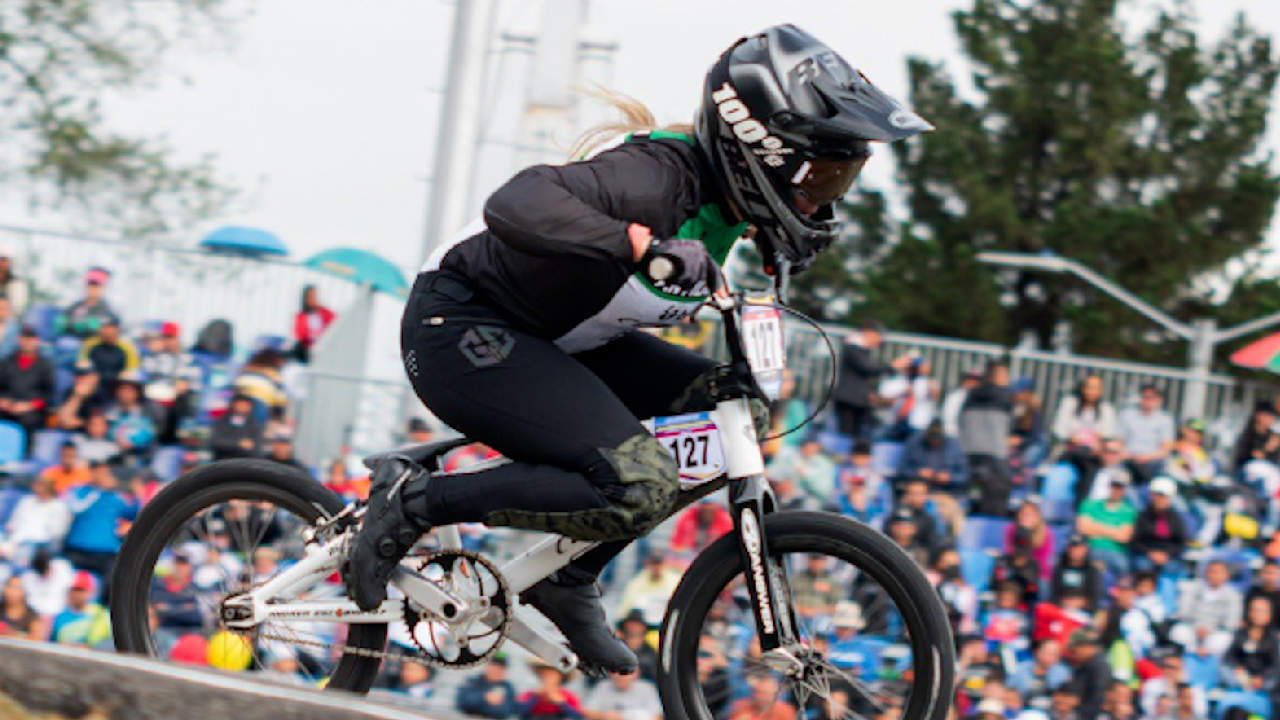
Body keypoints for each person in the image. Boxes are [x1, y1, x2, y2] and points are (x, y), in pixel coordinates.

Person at [341, 24, 932, 674]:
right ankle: (416, 504)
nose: (825, 200)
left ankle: (568, 576)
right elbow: (513, 202)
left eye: (836, 182)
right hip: (465, 331)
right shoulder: (650, 181)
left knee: (735, 411)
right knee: (640, 482)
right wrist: (639, 245)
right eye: (818, 179)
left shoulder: (734, 205)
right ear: (760, 150)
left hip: (569, 339)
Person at [62, 461, 138, 600]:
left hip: (105, 553)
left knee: (116, 580)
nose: (103, 476)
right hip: (76, 550)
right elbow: (73, 507)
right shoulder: (79, 491)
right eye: (100, 472)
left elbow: (134, 512)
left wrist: (132, 492)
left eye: (106, 473)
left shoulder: (116, 497)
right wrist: (97, 490)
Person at [958, 360, 1014, 515]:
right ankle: (992, 522)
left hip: (968, 449)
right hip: (993, 451)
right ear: (996, 375)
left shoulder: (971, 394)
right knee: (1001, 487)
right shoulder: (1004, 395)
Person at [833, 319, 898, 440]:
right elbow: (867, 367)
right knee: (846, 437)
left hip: (858, 401)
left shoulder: (860, 349)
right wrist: (892, 366)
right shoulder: (853, 347)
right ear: (869, 333)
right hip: (849, 400)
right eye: (879, 336)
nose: (880, 340)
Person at [1168, 559, 1242, 657]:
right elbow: (1183, 612)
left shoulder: (1233, 595)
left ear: (1226, 576)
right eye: (1212, 572)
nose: (1215, 575)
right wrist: (1198, 627)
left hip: (1215, 632)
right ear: (1206, 573)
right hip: (1192, 628)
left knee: (1224, 639)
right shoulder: (1191, 588)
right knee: (1179, 632)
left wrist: (1210, 629)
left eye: (1219, 573)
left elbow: (1232, 621)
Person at [1076, 476, 1137, 577]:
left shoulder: (1129, 511)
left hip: (1116, 552)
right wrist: (1114, 530)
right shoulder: (1090, 505)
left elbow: (1124, 537)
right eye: (1114, 486)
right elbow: (1083, 528)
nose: (1116, 490)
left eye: (1120, 487)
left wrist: (1096, 527)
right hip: (1093, 548)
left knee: (1123, 569)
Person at [0, 325, 54, 438]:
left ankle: (26, 453)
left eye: (31, 339)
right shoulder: (6, 362)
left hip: (31, 410)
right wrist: (3, 402)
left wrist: (30, 405)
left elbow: (48, 393)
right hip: (6, 407)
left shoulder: (45, 365)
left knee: (29, 421)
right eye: (24, 338)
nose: (27, 342)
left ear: (37, 341)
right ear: (18, 340)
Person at [3, 475, 70, 565]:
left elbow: (57, 533)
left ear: (49, 488)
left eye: (40, 486)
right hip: (16, 540)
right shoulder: (27, 501)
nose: (36, 489)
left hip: (40, 545)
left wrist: (27, 541)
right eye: (36, 485)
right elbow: (14, 522)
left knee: (23, 553)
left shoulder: (59, 506)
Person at [1222, 595, 1280, 692]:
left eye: (1262, 611)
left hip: (1264, 680)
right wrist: (1237, 667)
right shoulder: (1240, 633)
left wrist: (1261, 678)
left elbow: (1275, 665)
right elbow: (1229, 656)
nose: (1258, 614)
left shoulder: (1273, 637)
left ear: (1269, 615)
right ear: (1249, 612)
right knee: (1225, 669)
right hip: (1240, 677)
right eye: (1255, 610)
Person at [1132, 476, 1188, 576]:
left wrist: (1167, 554)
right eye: (1157, 495)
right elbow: (1136, 540)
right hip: (1147, 555)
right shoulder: (1143, 516)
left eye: (1163, 496)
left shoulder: (1175, 518)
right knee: (1142, 566)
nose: (1160, 500)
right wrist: (1150, 553)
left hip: (1168, 556)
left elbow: (1181, 542)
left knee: (1173, 569)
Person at [1118, 384, 1175, 481]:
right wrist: (1130, 455)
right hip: (1129, 459)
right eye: (1144, 397)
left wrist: (1145, 457)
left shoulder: (1165, 420)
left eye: (1151, 398)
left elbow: (1165, 450)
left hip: (1152, 462)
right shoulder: (1127, 415)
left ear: (1159, 400)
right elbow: (1119, 441)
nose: (1147, 401)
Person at [898, 418, 968, 494]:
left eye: (937, 438)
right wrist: (918, 473)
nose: (934, 441)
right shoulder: (914, 443)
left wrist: (950, 478)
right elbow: (902, 471)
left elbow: (964, 476)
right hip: (918, 492)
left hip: (947, 492)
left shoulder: (954, 446)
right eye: (932, 438)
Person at [616, 553, 682, 628]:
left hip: (667, 624)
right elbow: (626, 607)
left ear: (664, 564)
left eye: (659, 564)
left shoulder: (675, 581)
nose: (656, 568)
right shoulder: (637, 583)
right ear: (648, 565)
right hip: (645, 627)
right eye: (654, 564)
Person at [50, 571, 111, 646]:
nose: (76, 594)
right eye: (73, 589)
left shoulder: (103, 615)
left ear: (92, 592)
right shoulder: (59, 618)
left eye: (80, 590)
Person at [1052, 375, 1117, 446]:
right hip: (1070, 448)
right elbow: (1059, 429)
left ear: (1100, 391)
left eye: (1096, 388)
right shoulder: (1069, 403)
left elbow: (1109, 433)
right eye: (1090, 388)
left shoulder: (1106, 409)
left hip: (1095, 451)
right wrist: (1071, 438)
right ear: (1083, 389)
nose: (1092, 392)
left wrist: (1098, 438)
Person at [76, 319, 140, 390]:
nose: (107, 331)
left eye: (110, 328)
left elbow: (131, 369)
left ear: (117, 330)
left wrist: (121, 376)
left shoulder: (127, 347)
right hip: (94, 380)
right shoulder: (89, 344)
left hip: (118, 381)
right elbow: (82, 364)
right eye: (104, 328)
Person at [57, 267, 119, 339]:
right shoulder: (76, 306)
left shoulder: (106, 310)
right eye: (90, 284)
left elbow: (105, 326)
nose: (93, 288)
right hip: (72, 341)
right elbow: (62, 322)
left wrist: (78, 324)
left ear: (103, 287)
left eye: (97, 286)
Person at [1008, 638, 1071, 710]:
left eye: (1056, 654)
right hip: (1023, 710)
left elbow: (1067, 696)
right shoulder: (1020, 669)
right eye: (1050, 653)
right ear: (1037, 652)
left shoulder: (1063, 672)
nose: (1054, 657)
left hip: (1052, 712)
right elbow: (1010, 691)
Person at [1066, 629, 1112, 720]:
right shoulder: (1085, 664)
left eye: (1075, 651)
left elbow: (1097, 697)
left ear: (1086, 647)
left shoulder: (1099, 667)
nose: (1073, 654)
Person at [582, 668, 662, 720]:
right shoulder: (603, 686)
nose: (620, 677)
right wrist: (605, 716)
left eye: (625, 673)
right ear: (610, 674)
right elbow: (586, 712)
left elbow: (658, 717)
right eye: (617, 672)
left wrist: (626, 717)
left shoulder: (646, 688)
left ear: (636, 674)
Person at [668, 498, 733, 561]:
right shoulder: (688, 517)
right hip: (689, 557)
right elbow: (676, 544)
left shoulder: (725, 520)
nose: (707, 508)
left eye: (710, 505)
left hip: (713, 557)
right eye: (704, 504)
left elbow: (727, 548)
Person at [1051, 534, 1104, 611]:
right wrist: (1063, 602)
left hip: (1084, 613)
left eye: (1080, 548)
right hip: (1061, 610)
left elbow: (1096, 597)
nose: (1076, 551)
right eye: (1074, 547)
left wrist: (1082, 602)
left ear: (1086, 549)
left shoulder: (1092, 571)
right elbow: (1054, 595)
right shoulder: (1060, 569)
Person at [1006, 499, 1055, 581]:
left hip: (1037, 574)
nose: (1025, 517)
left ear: (1037, 517)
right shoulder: (1012, 530)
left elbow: (1042, 562)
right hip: (1016, 570)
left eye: (1029, 514)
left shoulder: (1045, 534)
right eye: (1023, 513)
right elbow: (1010, 553)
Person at [517, 660, 582, 720]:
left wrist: (561, 703)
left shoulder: (567, 696)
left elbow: (577, 716)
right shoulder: (530, 694)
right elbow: (518, 711)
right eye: (545, 673)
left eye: (551, 674)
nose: (548, 676)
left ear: (560, 676)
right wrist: (535, 698)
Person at [455, 655, 516, 719]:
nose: (496, 671)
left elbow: (507, 711)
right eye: (494, 667)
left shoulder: (508, 688)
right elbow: (462, 703)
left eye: (500, 669)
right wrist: (485, 698)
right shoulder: (472, 681)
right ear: (487, 667)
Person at [209, 394, 263, 460]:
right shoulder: (220, 422)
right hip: (223, 461)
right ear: (233, 405)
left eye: (246, 405)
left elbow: (257, 446)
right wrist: (238, 443)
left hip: (246, 462)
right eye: (240, 404)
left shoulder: (255, 424)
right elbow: (215, 442)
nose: (243, 407)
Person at [292, 285, 335, 363]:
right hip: (308, 348)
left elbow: (334, 322)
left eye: (314, 296)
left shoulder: (324, 312)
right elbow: (300, 335)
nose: (313, 299)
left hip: (325, 344)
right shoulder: (301, 316)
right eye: (310, 297)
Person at [727, 672, 795, 720]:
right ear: (752, 693)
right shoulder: (740, 707)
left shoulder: (785, 711)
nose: (761, 697)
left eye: (766, 694)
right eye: (758, 692)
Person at [0, 575, 45, 640]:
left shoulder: (32, 616)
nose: (12, 591)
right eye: (9, 587)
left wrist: (10, 635)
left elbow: (37, 639)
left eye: (16, 588)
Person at [1244, 560, 1280, 631]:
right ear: (1261, 574)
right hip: (1251, 631)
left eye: (1273, 573)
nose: (1269, 576)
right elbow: (1245, 616)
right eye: (1267, 573)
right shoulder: (1252, 592)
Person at [0, 251, 30, 316]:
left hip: (9, 321)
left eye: (4, 260)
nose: (1, 263)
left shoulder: (17, 284)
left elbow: (18, 309)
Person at [0, 296, 21, 360]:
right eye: (1, 308)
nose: (2, 312)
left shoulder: (15, 328)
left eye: (5, 308)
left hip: (7, 365)